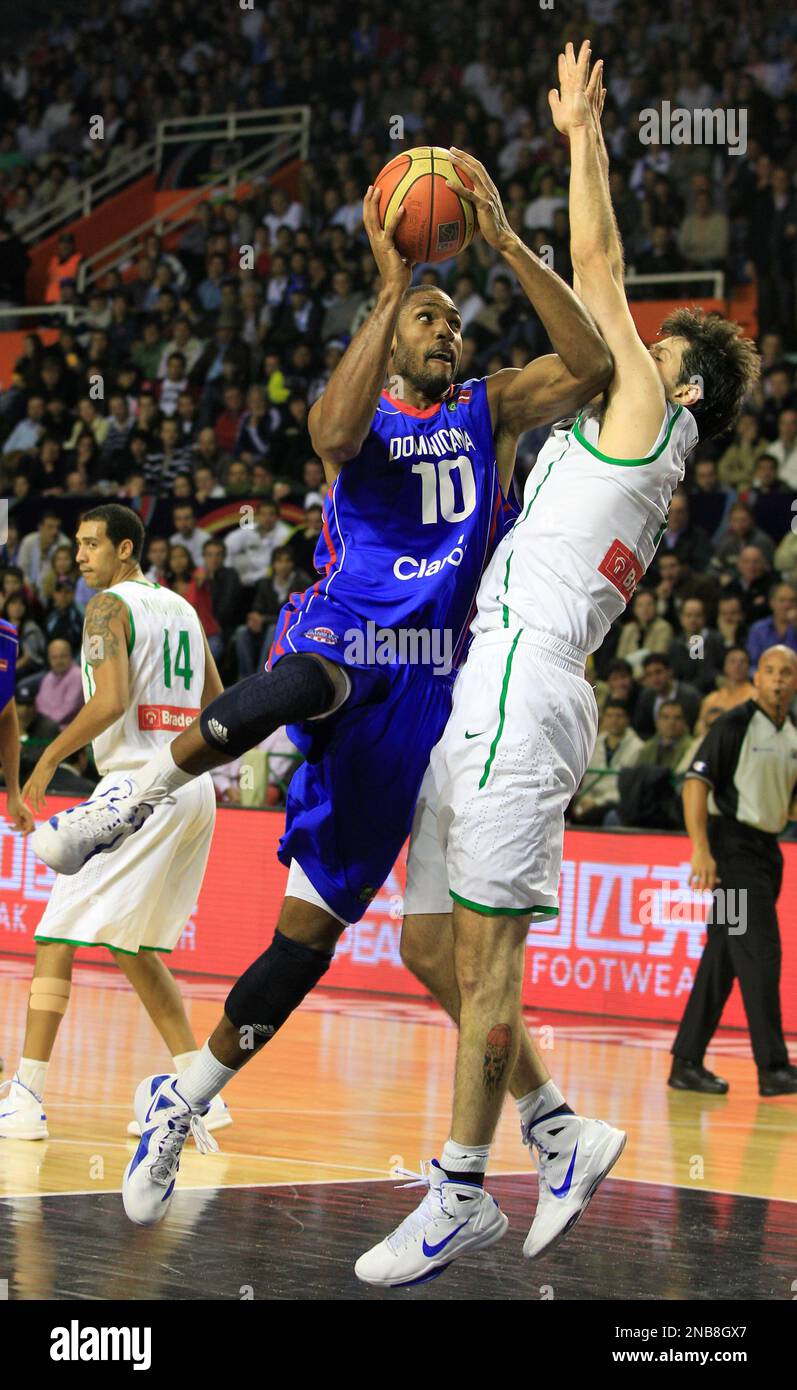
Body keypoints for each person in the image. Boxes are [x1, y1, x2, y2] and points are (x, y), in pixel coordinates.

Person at [30, 148, 611, 1229]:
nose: (445, 329)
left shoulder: (486, 409)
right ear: (390, 334)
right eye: (425, 317)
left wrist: (504, 245)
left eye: (449, 317)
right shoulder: (369, 408)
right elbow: (331, 436)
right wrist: (391, 287)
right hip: (346, 638)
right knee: (308, 672)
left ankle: (184, 1092)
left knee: (305, 940)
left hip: (427, 696)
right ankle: (132, 794)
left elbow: (589, 367)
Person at [355, 43, 760, 1287]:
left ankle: (461, 1187)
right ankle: (556, 1131)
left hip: (529, 687)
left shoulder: (652, 411)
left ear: (678, 380)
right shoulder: (611, 423)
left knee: (487, 962)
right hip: (492, 672)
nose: (630, 345)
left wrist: (582, 135)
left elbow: (595, 274)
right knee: (428, 948)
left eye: (652, 343)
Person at [2, 505, 232, 1141]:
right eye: (75, 544)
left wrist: (46, 757)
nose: (78, 555)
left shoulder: (107, 607)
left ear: (125, 550)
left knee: (54, 935)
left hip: (134, 791)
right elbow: (220, 704)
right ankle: (199, 1088)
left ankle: (25, 1097)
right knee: (133, 946)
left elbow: (107, 702)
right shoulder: (183, 608)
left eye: (91, 544)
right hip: (192, 789)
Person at [669, 645, 797, 1097]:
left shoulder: (793, 733)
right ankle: (774, 1068)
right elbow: (695, 784)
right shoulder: (734, 723)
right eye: (770, 671)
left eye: (787, 673)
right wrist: (701, 850)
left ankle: (686, 1062)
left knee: (723, 957)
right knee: (761, 951)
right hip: (733, 851)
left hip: (767, 850)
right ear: (757, 679)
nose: (779, 680)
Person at [570, 699, 643, 823]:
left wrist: (596, 802)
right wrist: (585, 799)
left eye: (619, 716)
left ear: (627, 719)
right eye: (610, 716)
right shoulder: (594, 742)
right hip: (589, 799)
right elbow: (588, 781)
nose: (614, 720)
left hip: (615, 801)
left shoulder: (638, 747)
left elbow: (625, 789)